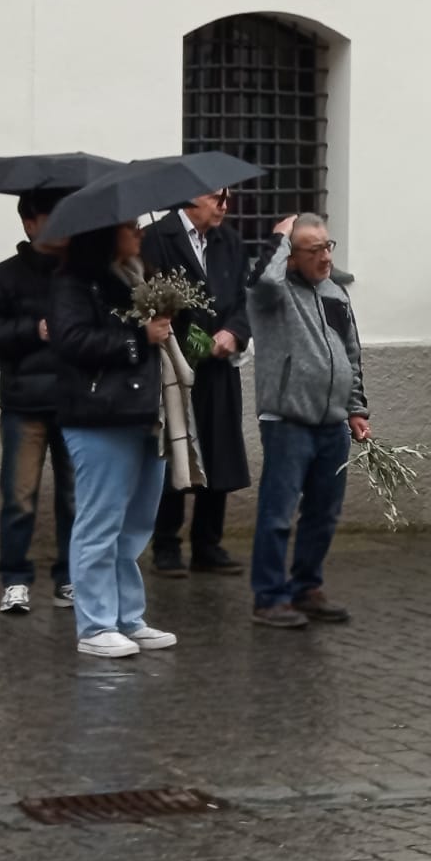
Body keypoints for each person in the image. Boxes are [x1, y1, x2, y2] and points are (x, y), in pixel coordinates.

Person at [48, 221, 178, 659]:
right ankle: (95, 624)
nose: (139, 232)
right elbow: (71, 340)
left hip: (146, 413)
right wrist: (139, 337)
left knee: (137, 523)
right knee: (99, 521)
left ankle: (127, 617)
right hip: (99, 416)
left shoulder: (138, 277)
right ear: (103, 233)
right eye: (129, 226)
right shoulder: (73, 282)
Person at [247, 213, 370, 629]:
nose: (325, 257)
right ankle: (268, 597)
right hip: (287, 421)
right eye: (313, 250)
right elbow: (263, 280)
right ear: (292, 256)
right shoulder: (272, 292)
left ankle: (306, 587)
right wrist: (280, 238)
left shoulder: (335, 291)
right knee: (278, 514)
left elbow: (351, 353)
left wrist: (356, 408)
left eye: (327, 246)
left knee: (323, 513)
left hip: (332, 423)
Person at [0, 190, 76, 615]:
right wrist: (34, 330)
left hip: (74, 403)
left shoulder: (83, 274)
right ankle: (15, 579)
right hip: (24, 405)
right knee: (19, 495)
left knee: (75, 498)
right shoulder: (1, 277)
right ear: (30, 224)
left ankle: (69, 578)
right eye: (51, 217)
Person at [143, 189, 251, 578]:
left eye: (227, 198)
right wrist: (196, 342)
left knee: (217, 448)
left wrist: (234, 333)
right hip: (174, 363)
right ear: (190, 197)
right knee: (177, 448)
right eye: (216, 197)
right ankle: (166, 545)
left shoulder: (230, 241)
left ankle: (208, 544)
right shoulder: (157, 237)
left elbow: (243, 299)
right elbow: (151, 303)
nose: (224, 205)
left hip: (220, 365)